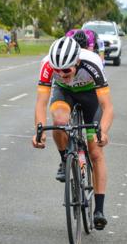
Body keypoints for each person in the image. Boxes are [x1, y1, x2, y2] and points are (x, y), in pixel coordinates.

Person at [32, 36, 114, 230]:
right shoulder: (46, 65)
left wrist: (103, 131)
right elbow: (41, 103)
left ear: (77, 61)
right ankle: (65, 159)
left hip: (90, 96)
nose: (61, 73)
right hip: (64, 93)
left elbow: (108, 107)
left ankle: (99, 210)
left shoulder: (92, 63)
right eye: (57, 70)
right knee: (59, 122)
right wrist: (39, 130)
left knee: (95, 152)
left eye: (66, 69)